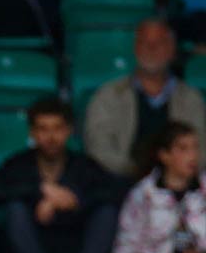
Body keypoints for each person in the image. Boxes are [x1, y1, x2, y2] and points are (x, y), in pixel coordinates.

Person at [0, 97, 119, 253]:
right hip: (32, 248)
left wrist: (75, 200)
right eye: (43, 129)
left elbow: (113, 193)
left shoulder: (84, 165)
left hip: (77, 249)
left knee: (107, 211)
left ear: (68, 130)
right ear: (32, 133)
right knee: (14, 210)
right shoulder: (18, 164)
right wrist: (41, 191)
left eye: (57, 128)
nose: (51, 136)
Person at [83, 19, 206, 182]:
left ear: (171, 49)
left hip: (181, 183)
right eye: (144, 43)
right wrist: (134, 171)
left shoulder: (192, 99)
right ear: (135, 49)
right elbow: (98, 146)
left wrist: (174, 174)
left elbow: (202, 147)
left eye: (159, 43)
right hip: (120, 181)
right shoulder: (108, 96)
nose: (151, 49)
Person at [106, 122, 206, 253]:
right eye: (183, 149)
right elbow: (128, 240)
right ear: (165, 155)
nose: (192, 156)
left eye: (195, 147)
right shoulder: (143, 193)